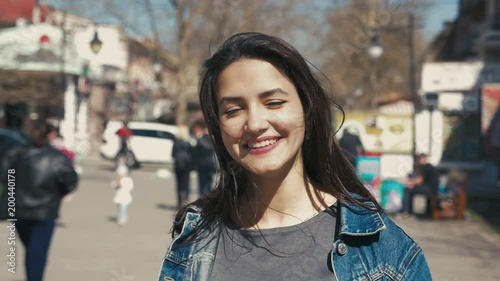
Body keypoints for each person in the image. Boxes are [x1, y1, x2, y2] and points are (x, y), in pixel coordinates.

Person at [157, 32, 431, 281]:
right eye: (233, 110)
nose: (254, 123)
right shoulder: (194, 239)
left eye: (274, 102)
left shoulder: (383, 250)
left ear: (308, 111)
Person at [1, 120, 78, 281]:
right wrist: (57, 194)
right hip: (45, 211)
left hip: (20, 210)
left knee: (32, 249)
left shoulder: (16, 153)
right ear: (51, 135)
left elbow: (5, 177)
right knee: (37, 251)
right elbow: (69, 182)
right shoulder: (58, 158)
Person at [192, 119, 217, 197]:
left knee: (202, 182)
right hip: (210, 163)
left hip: (201, 163)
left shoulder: (200, 140)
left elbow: (195, 153)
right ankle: (208, 198)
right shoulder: (212, 139)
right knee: (209, 182)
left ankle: (202, 198)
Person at [172, 125, 193, 208]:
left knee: (179, 184)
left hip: (177, 165)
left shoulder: (176, 144)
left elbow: (172, 154)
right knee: (186, 183)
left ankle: (179, 201)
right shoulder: (188, 144)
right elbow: (192, 155)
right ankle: (186, 200)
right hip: (186, 165)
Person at [112, 155, 134, 225]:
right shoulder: (121, 167)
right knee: (120, 204)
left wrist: (117, 183)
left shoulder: (122, 168)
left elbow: (119, 177)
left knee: (122, 204)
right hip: (123, 186)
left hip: (123, 185)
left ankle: (122, 218)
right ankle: (123, 217)